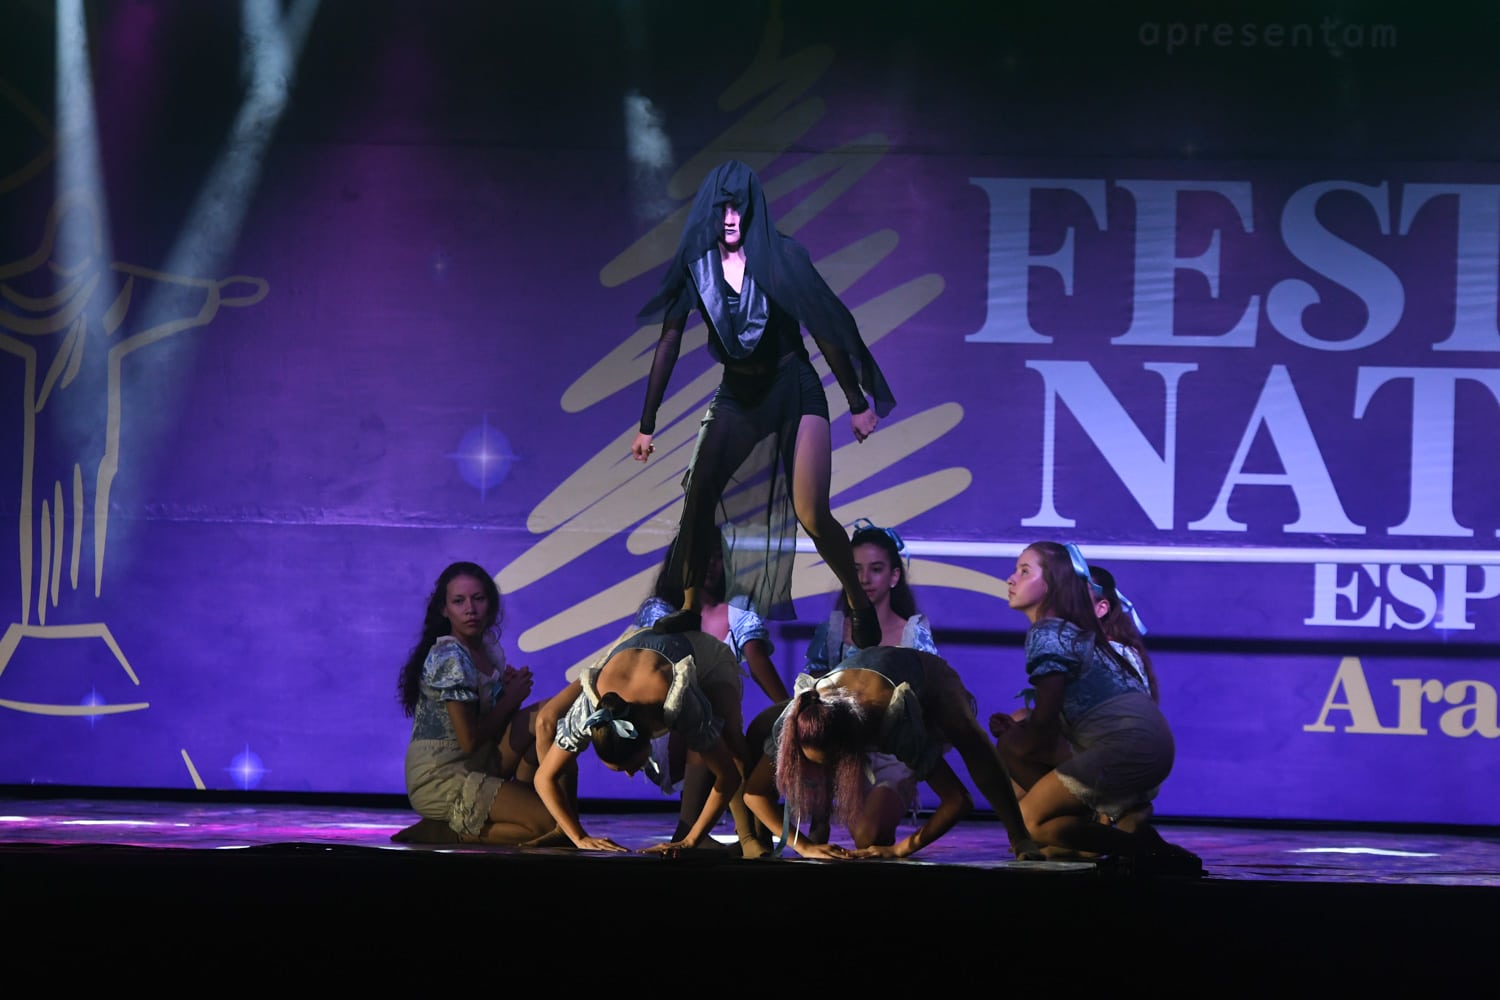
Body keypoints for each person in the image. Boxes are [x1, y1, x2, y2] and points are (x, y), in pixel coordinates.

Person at [630, 159, 896, 652]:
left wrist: (856, 401)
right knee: (698, 490)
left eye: (739, 208)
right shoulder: (696, 265)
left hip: (793, 388)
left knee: (811, 512)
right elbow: (668, 340)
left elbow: (824, 328)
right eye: (722, 208)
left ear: (752, 209)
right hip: (737, 394)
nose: (730, 217)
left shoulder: (782, 257)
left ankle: (857, 600)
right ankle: (689, 604)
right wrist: (647, 425)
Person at [992, 541, 1200, 875]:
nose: (1011, 578)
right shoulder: (1078, 635)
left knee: (1029, 823)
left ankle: (1149, 853)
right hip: (1147, 745)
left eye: (1024, 571)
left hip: (1125, 747)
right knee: (1016, 752)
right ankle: (1143, 845)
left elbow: (1045, 722)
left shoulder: (1048, 631)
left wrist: (1018, 740)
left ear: (1053, 584)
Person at [741, 645, 1043, 861]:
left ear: (852, 748)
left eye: (830, 764)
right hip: (856, 685)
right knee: (759, 728)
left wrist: (900, 850)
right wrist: (804, 847)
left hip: (927, 678)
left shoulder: (892, 720)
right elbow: (754, 794)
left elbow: (958, 799)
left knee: (967, 734)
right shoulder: (801, 716)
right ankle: (764, 837)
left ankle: (1019, 835)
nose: (825, 772)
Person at [634, 530, 788, 856]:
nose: (709, 565)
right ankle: (703, 830)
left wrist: (788, 707)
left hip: (718, 724)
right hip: (666, 726)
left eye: (717, 557)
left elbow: (757, 658)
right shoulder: (660, 609)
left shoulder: (737, 608)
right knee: (708, 719)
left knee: (741, 735)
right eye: (701, 557)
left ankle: (751, 837)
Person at [531, 626, 745, 853]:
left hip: (702, 657)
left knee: (729, 742)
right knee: (547, 721)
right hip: (634, 650)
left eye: (632, 765)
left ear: (646, 737)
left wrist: (690, 841)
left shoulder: (677, 700)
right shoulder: (591, 707)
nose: (630, 775)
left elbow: (727, 775)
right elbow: (543, 778)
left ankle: (752, 834)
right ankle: (562, 830)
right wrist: (579, 837)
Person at [395, 561, 556, 845]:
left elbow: (492, 727)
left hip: (476, 762)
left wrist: (505, 695)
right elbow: (469, 740)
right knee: (550, 827)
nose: (470, 609)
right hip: (441, 775)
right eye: (459, 601)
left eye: (478, 599)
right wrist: (509, 699)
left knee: (544, 718)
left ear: (490, 605)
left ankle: (523, 800)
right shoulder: (450, 656)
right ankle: (451, 832)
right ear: (444, 609)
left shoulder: (486, 651)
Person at [799, 517, 937, 848]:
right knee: (866, 838)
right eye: (856, 569)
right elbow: (811, 691)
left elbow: (931, 696)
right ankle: (820, 821)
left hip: (893, 753)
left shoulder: (912, 632)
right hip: (842, 752)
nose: (864, 579)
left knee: (869, 835)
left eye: (876, 569)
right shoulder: (833, 631)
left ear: (894, 576)